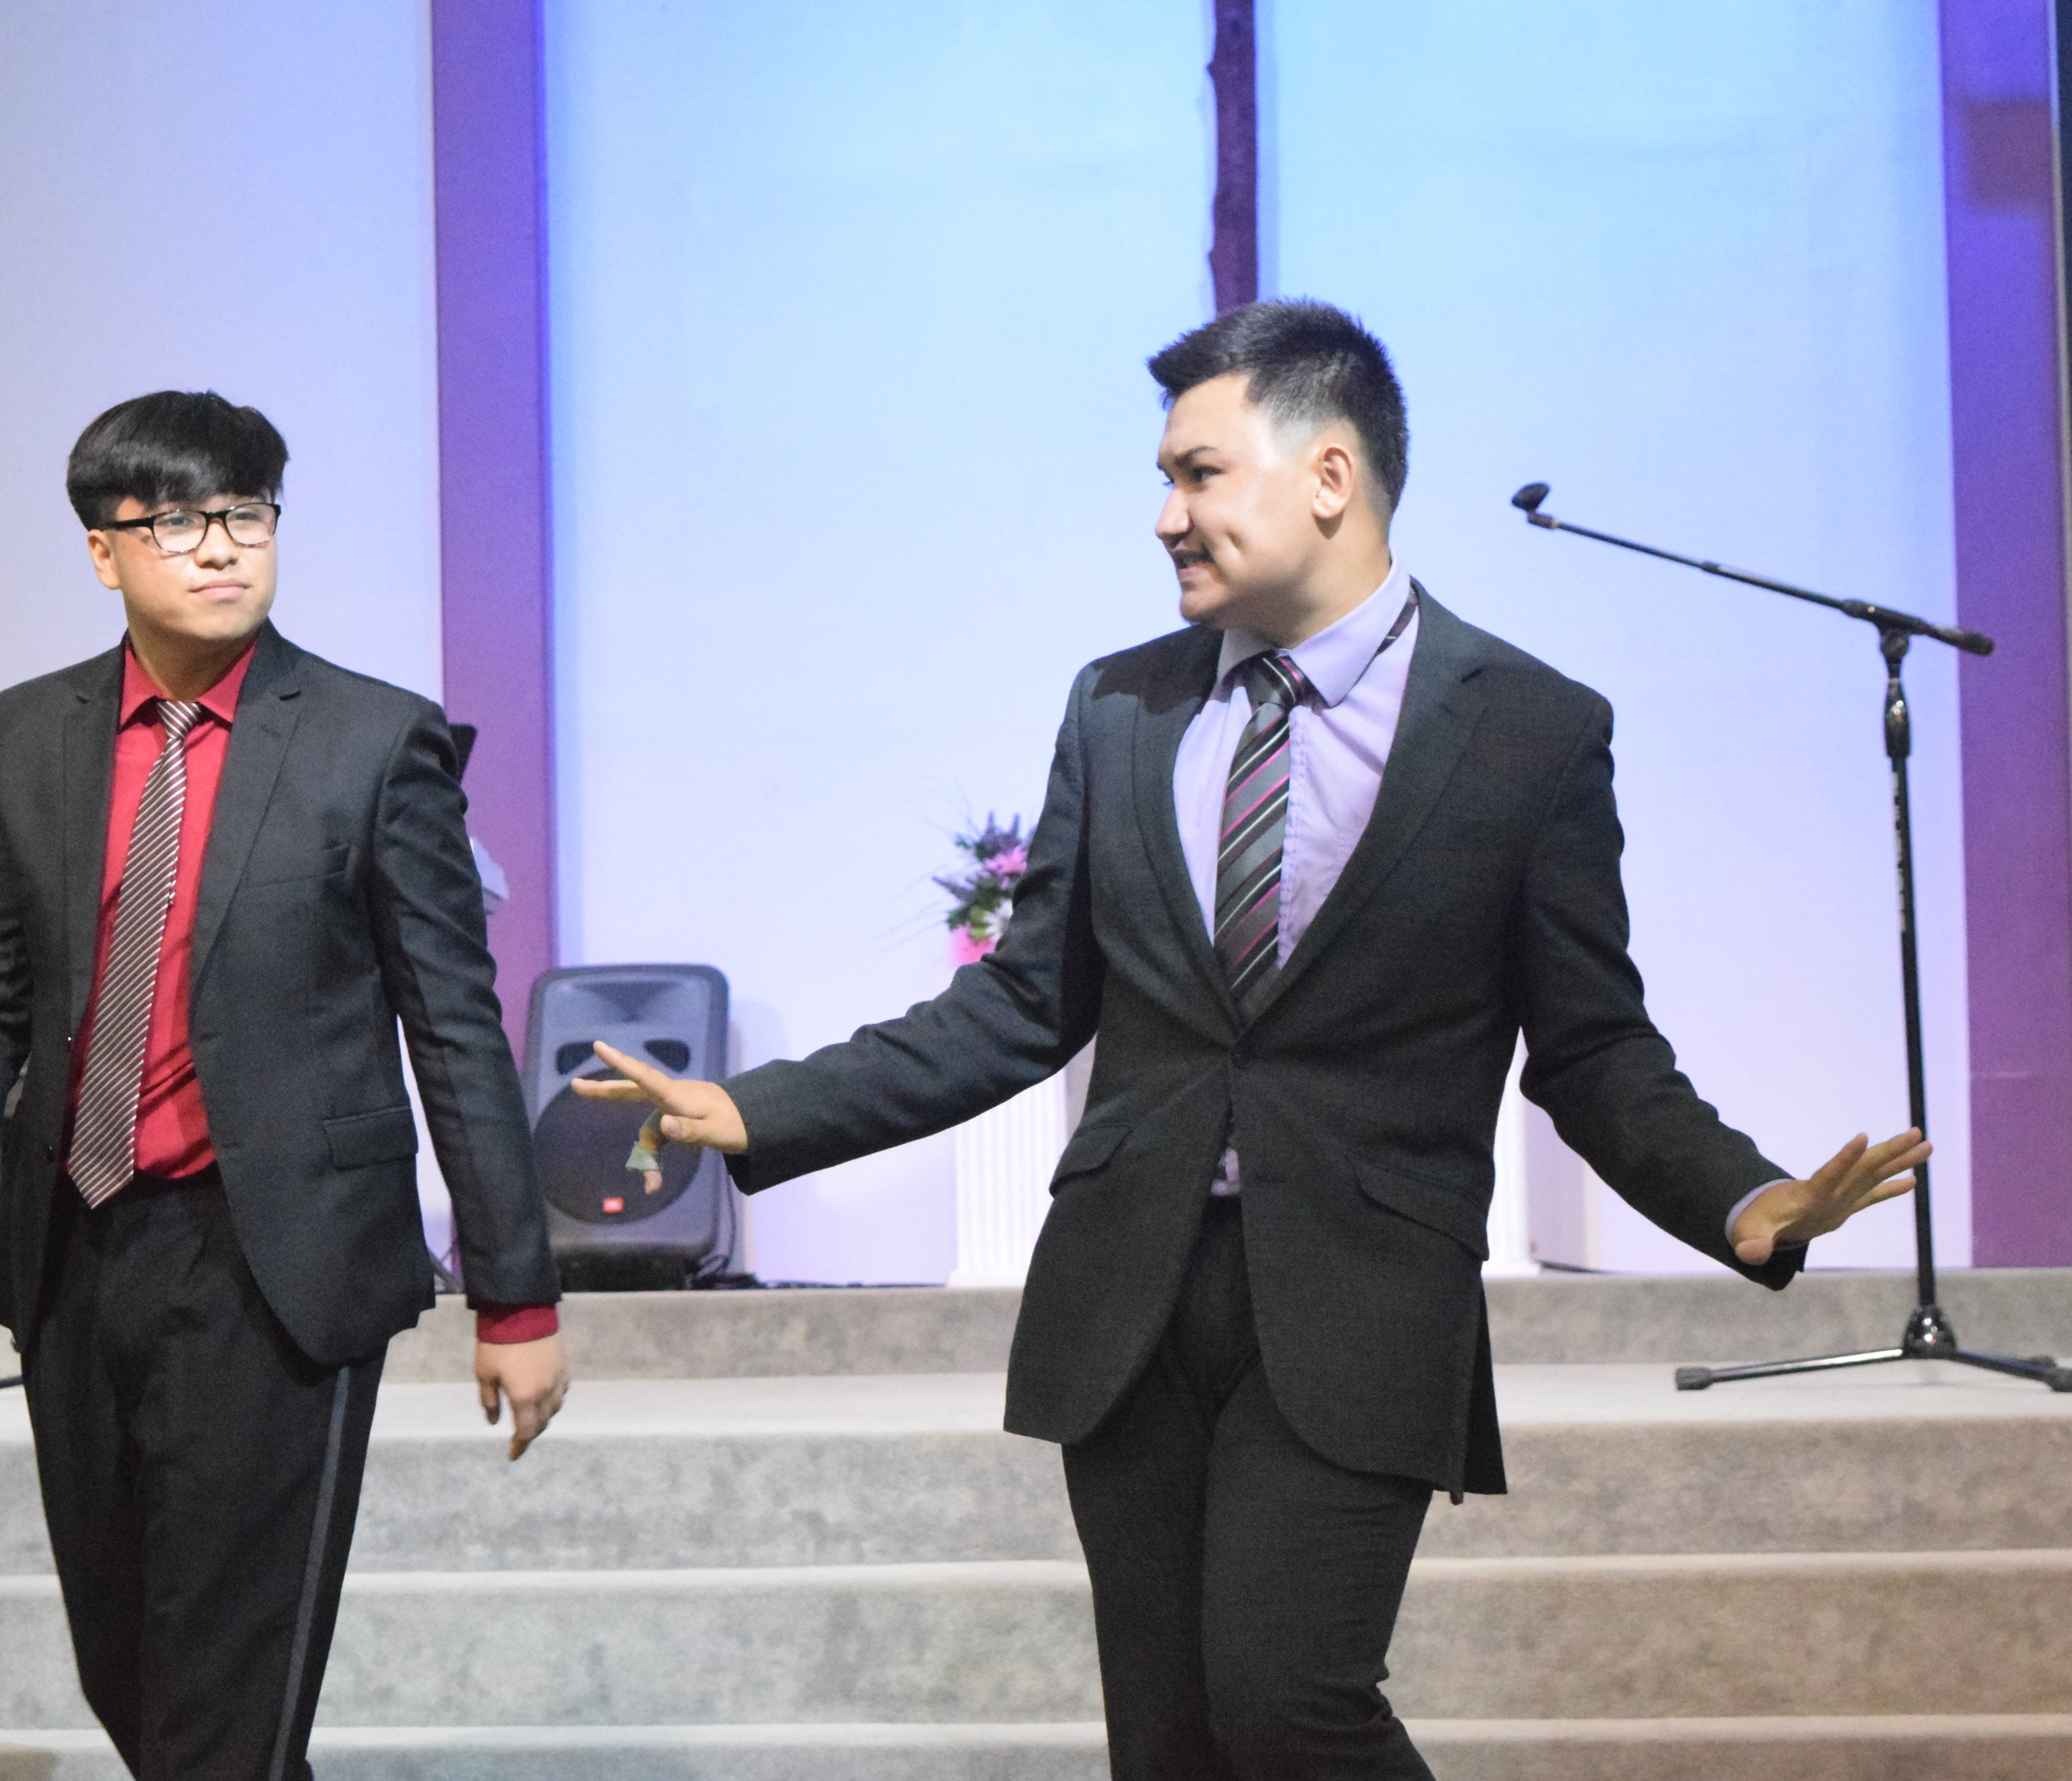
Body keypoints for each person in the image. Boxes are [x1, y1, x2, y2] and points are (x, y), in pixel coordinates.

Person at [579, 301, 1924, 1780]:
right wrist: (757, 1111)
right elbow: (1025, 999)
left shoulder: (1529, 729)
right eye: (1165, 480)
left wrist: (1744, 1198)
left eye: (1198, 472)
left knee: (1288, 1707)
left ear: (1328, 476)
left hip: (1357, 1306)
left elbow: (1594, 1048)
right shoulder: (1120, 707)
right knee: (1166, 1743)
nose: (1166, 516)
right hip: (1131, 1299)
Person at [0, 391, 568, 1781]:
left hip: (278, 1263)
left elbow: (455, 1027)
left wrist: (517, 1289)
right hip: (76, 1247)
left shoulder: (374, 742)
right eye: (178, 521)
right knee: (134, 1670)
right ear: (104, 552)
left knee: (225, 1703)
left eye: (246, 514)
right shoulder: (27, 736)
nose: (219, 549)